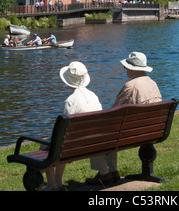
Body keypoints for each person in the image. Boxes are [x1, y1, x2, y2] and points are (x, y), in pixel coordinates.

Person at [85, 51, 162, 186]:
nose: (125, 69)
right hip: (153, 130)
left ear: (132, 68)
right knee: (111, 131)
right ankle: (113, 171)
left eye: (125, 67)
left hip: (132, 134)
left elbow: (114, 113)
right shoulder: (153, 83)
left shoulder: (130, 86)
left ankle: (105, 173)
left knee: (97, 133)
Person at [43, 61, 102, 191]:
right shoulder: (94, 96)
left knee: (47, 146)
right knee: (60, 144)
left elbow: (64, 130)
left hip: (74, 145)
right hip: (93, 141)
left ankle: (53, 184)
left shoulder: (71, 100)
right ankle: (57, 182)